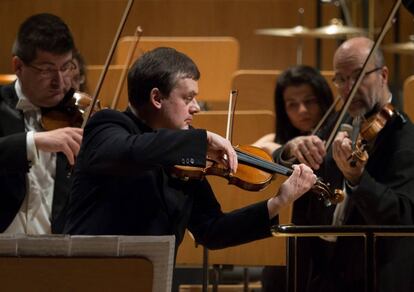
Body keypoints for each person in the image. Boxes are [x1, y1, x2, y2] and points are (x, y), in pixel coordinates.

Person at [63, 47, 317, 258]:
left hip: (152, 280)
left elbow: (212, 230)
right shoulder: (108, 125)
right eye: (188, 98)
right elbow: (127, 152)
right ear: (157, 98)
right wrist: (201, 138)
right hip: (93, 275)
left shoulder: (186, 157)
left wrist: (277, 203)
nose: (196, 108)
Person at [277, 37, 414, 292]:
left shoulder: (404, 139)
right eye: (341, 78)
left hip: (372, 275)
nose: (349, 88)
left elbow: (403, 219)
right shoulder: (339, 124)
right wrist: (291, 147)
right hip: (324, 274)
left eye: (359, 76)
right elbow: (284, 160)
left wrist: (357, 179)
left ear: (383, 75)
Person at [253, 65, 334, 292]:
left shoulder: (336, 138)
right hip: (283, 251)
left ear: (323, 100)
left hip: (327, 252)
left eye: (310, 101)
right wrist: (283, 148)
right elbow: (258, 150)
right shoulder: (275, 139)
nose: (302, 110)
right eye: (292, 104)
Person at [0, 13, 83, 234]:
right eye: (47, 70)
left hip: (56, 257)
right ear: (18, 66)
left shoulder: (79, 114)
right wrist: (33, 141)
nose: (60, 81)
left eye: (66, 67)